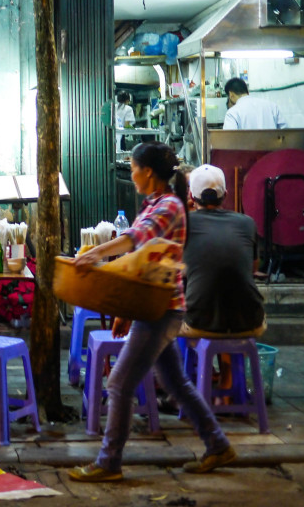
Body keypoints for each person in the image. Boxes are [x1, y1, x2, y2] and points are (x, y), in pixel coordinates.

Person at [70, 142, 234, 482]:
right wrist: (125, 308)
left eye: (132, 169)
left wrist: (95, 254)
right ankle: (217, 445)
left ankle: (109, 461)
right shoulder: (156, 204)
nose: (130, 176)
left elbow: (133, 240)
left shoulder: (168, 206)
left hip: (161, 310)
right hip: (153, 306)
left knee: (118, 384)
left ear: (147, 171)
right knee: (176, 383)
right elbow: (143, 261)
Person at [182, 164, 266, 338]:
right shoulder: (247, 223)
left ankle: (195, 365)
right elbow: (252, 269)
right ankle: (227, 365)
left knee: (167, 317)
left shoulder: (182, 223)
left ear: (191, 196)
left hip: (200, 323)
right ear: (226, 194)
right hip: (250, 322)